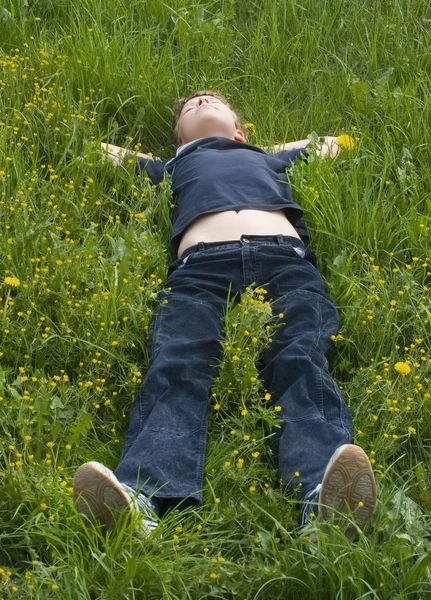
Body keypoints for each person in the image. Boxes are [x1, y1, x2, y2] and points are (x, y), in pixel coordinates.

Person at [73, 90, 377, 540]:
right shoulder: (174, 165)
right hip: (200, 268)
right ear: (177, 141)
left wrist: (260, 146)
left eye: (211, 99)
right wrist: (178, 150)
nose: (200, 101)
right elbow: (101, 151)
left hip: (285, 260)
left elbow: (337, 142)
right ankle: (141, 498)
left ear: (240, 127)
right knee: (178, 360)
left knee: (300, 359)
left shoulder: (264, 157)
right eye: (191, 105)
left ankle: (321, 497)